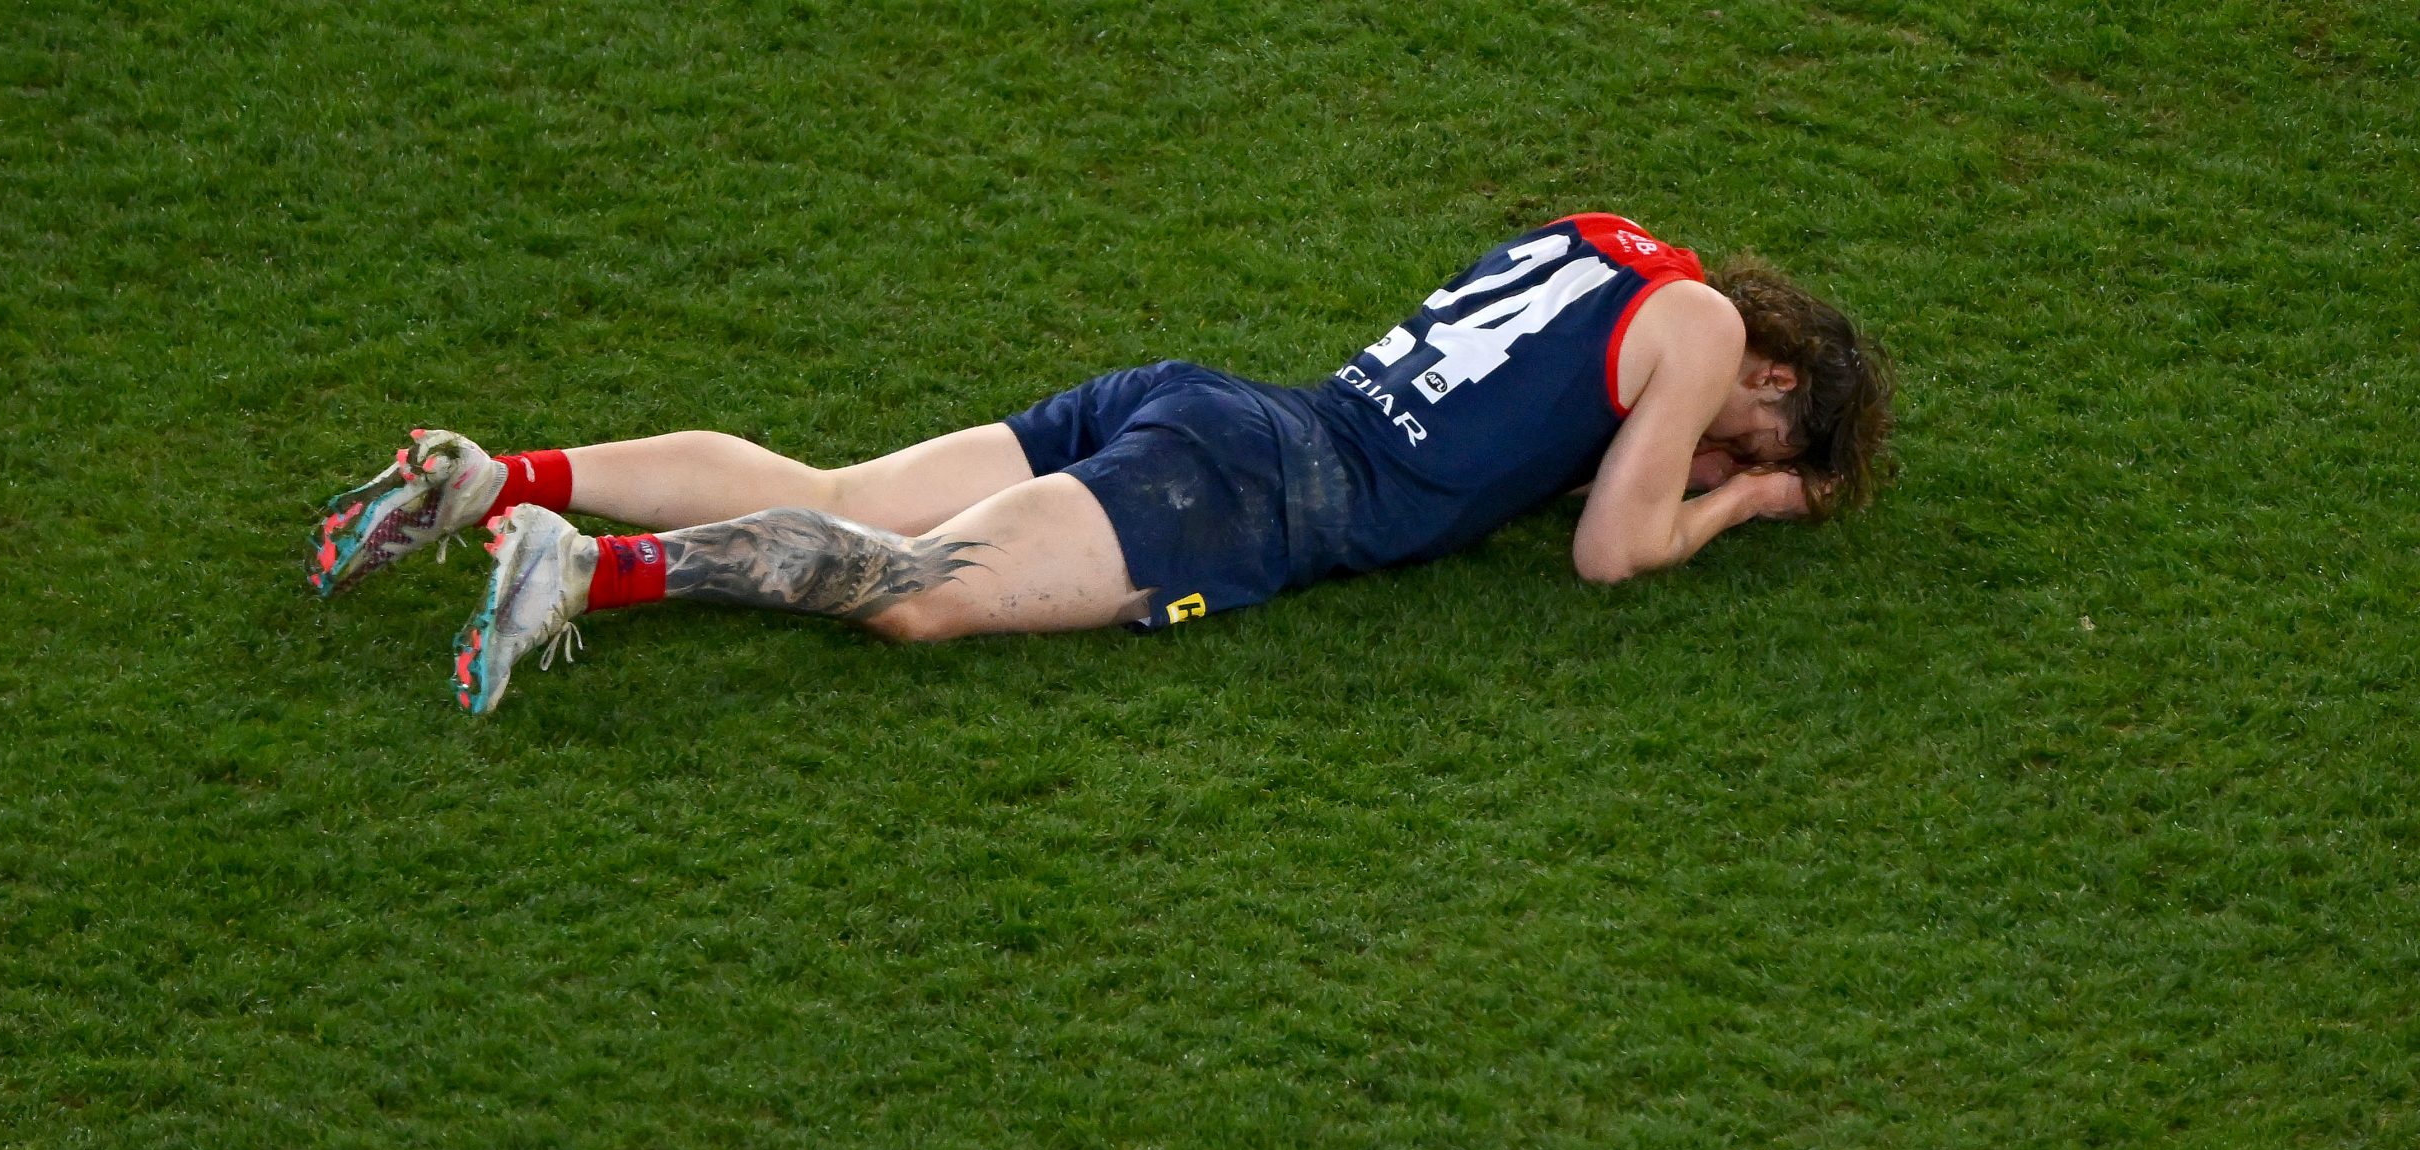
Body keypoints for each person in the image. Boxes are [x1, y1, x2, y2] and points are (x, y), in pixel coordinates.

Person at [307, 213, 1893, 714]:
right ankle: (583, 569)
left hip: (1213, 402)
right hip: (1254, 491)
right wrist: (1745, 498)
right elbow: (1610, 552)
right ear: (1770, 373)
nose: (1718, 454)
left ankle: (493, 475)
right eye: (1759, 431)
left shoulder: (1608, 248)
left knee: (849, 489)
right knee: (917, 595)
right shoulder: (1694, 331)